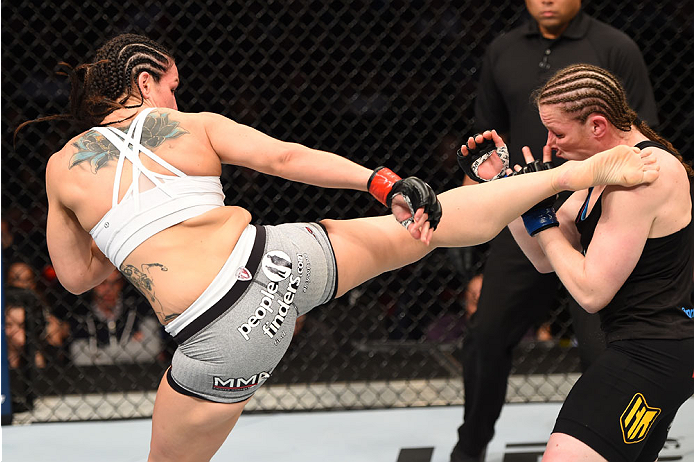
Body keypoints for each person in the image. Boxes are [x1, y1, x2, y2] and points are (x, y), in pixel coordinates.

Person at [22, 34, 658, 462]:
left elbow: (77, 278)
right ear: (144, 78)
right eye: (171, 87)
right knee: (430, 221)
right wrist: (381, 182)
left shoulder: (61, 168)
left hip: (217, 334)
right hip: (277, 261)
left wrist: (116, 232)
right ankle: (567, 175)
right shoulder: (194, 127)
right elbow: (286, 158)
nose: (174, 100)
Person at [452, 1, 659, 460]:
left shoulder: (613, 47)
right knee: (485, 337)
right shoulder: (503, 50)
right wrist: (482, 227)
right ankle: (469, 449)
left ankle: (620, 450)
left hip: (598, 213)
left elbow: (643, 135)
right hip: (525, 211)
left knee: (604, 348)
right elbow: (486, 146)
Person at [503, 63, 692, 462]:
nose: (550, 144)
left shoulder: (643, 176)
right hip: (649, 348)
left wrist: (539, 212)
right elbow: (544, 257)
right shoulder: (605, 171)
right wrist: (506, 189)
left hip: (656, 351)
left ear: (597, 125)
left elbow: (591, 291)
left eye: (558, 132)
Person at [69, 269, 162, 365]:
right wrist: (129, 348)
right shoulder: (81, 314)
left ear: (121, 284)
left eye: (115, 283)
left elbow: (152, 349)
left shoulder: (139, 309)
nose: (109, 289)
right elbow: (80, 357)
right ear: (92, 285)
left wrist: (96, 354)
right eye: (102, 283)